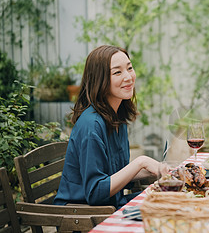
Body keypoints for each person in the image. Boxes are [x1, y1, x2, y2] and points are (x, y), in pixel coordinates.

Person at [54, 45, 163, 209]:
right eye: (117, 72)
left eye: (129, 68)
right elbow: (95, 192)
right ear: (100, 80)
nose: (128, 77)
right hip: (82, 215)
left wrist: (159, 169)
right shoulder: (92, 125)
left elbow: (116, 175)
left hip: (110, 205)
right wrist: (140, 162)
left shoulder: (117, 116)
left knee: (171, 199)